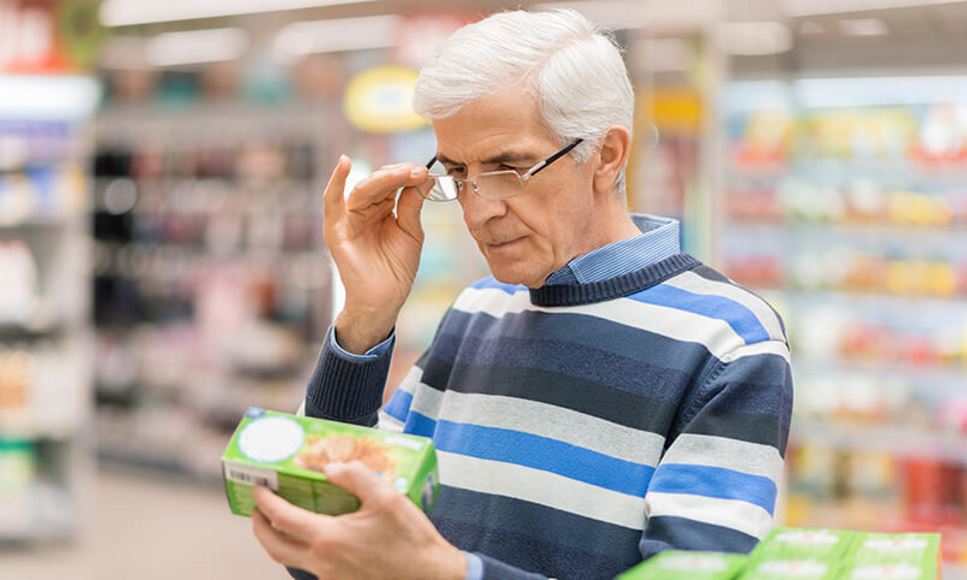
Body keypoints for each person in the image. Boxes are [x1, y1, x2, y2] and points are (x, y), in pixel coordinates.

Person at [250, 8, 793, 580]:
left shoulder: (727, 341)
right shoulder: (477, 312)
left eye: (509, 167)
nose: (479, 209)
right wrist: (365, 316)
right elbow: (323, 544)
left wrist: (447, 574)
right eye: (457, 173)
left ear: (606, 155)